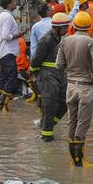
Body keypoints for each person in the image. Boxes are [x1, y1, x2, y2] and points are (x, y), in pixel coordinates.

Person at [55, 10, 93, 167]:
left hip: (71, 86)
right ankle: (79, 161)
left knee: (72, 121)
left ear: (74, 25)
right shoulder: (91, 42)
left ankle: (72, 160)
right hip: (85, 87)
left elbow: (58, 65)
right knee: (83, 123)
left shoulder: (65, 41)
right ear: (89, 26)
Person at [30, 12, 70, 142]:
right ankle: (47, 136)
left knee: (65, 99)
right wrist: (34, 73)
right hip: (47, 74)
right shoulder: (46, 39)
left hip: (58, 71)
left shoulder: (59, 38)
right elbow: (36, 60)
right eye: (65, 27)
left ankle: (46, 124)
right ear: (58, 28)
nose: (67, 29)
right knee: (49, 103)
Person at [0, 0, 22, 105]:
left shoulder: (3, 15)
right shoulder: (7, 17)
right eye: (14, 1)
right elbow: (6, 36)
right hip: (7, 52)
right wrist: (18, 35)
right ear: (9, 4)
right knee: (12, 78)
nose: (16, 3)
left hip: (3, 52)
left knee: (4, 78)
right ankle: (2, 103)